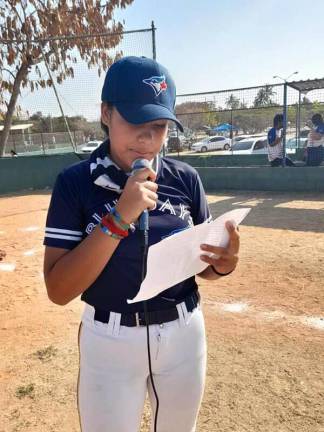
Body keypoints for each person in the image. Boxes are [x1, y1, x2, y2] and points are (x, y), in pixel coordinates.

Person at [43, 56, 240, 432]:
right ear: (105, 113)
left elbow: (205, 266)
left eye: (160, 126)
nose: (148, 139)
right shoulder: (74, 183)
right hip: (109, 342)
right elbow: (59, 289)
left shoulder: (186, 178)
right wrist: (119, 218)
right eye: (134, 122)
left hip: (184, 334)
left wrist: (223, 264)